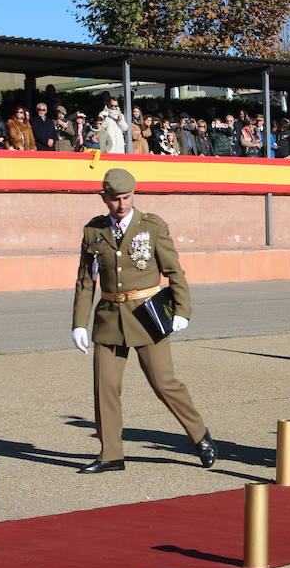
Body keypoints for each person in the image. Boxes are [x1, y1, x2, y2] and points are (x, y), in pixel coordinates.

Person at [70, 168, 219, 473]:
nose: (121, 204)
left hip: (147, 316)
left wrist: (182, 310)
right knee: (105, 387)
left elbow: (174, 271)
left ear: (134, 194)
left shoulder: (151, 227)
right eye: (115, 199)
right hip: (110, 317)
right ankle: (110, 453)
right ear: (104, 198)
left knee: (164, 383)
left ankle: (200, 435)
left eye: (126, 197)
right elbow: (86, 282)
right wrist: (78, 323)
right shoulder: (94, 232)